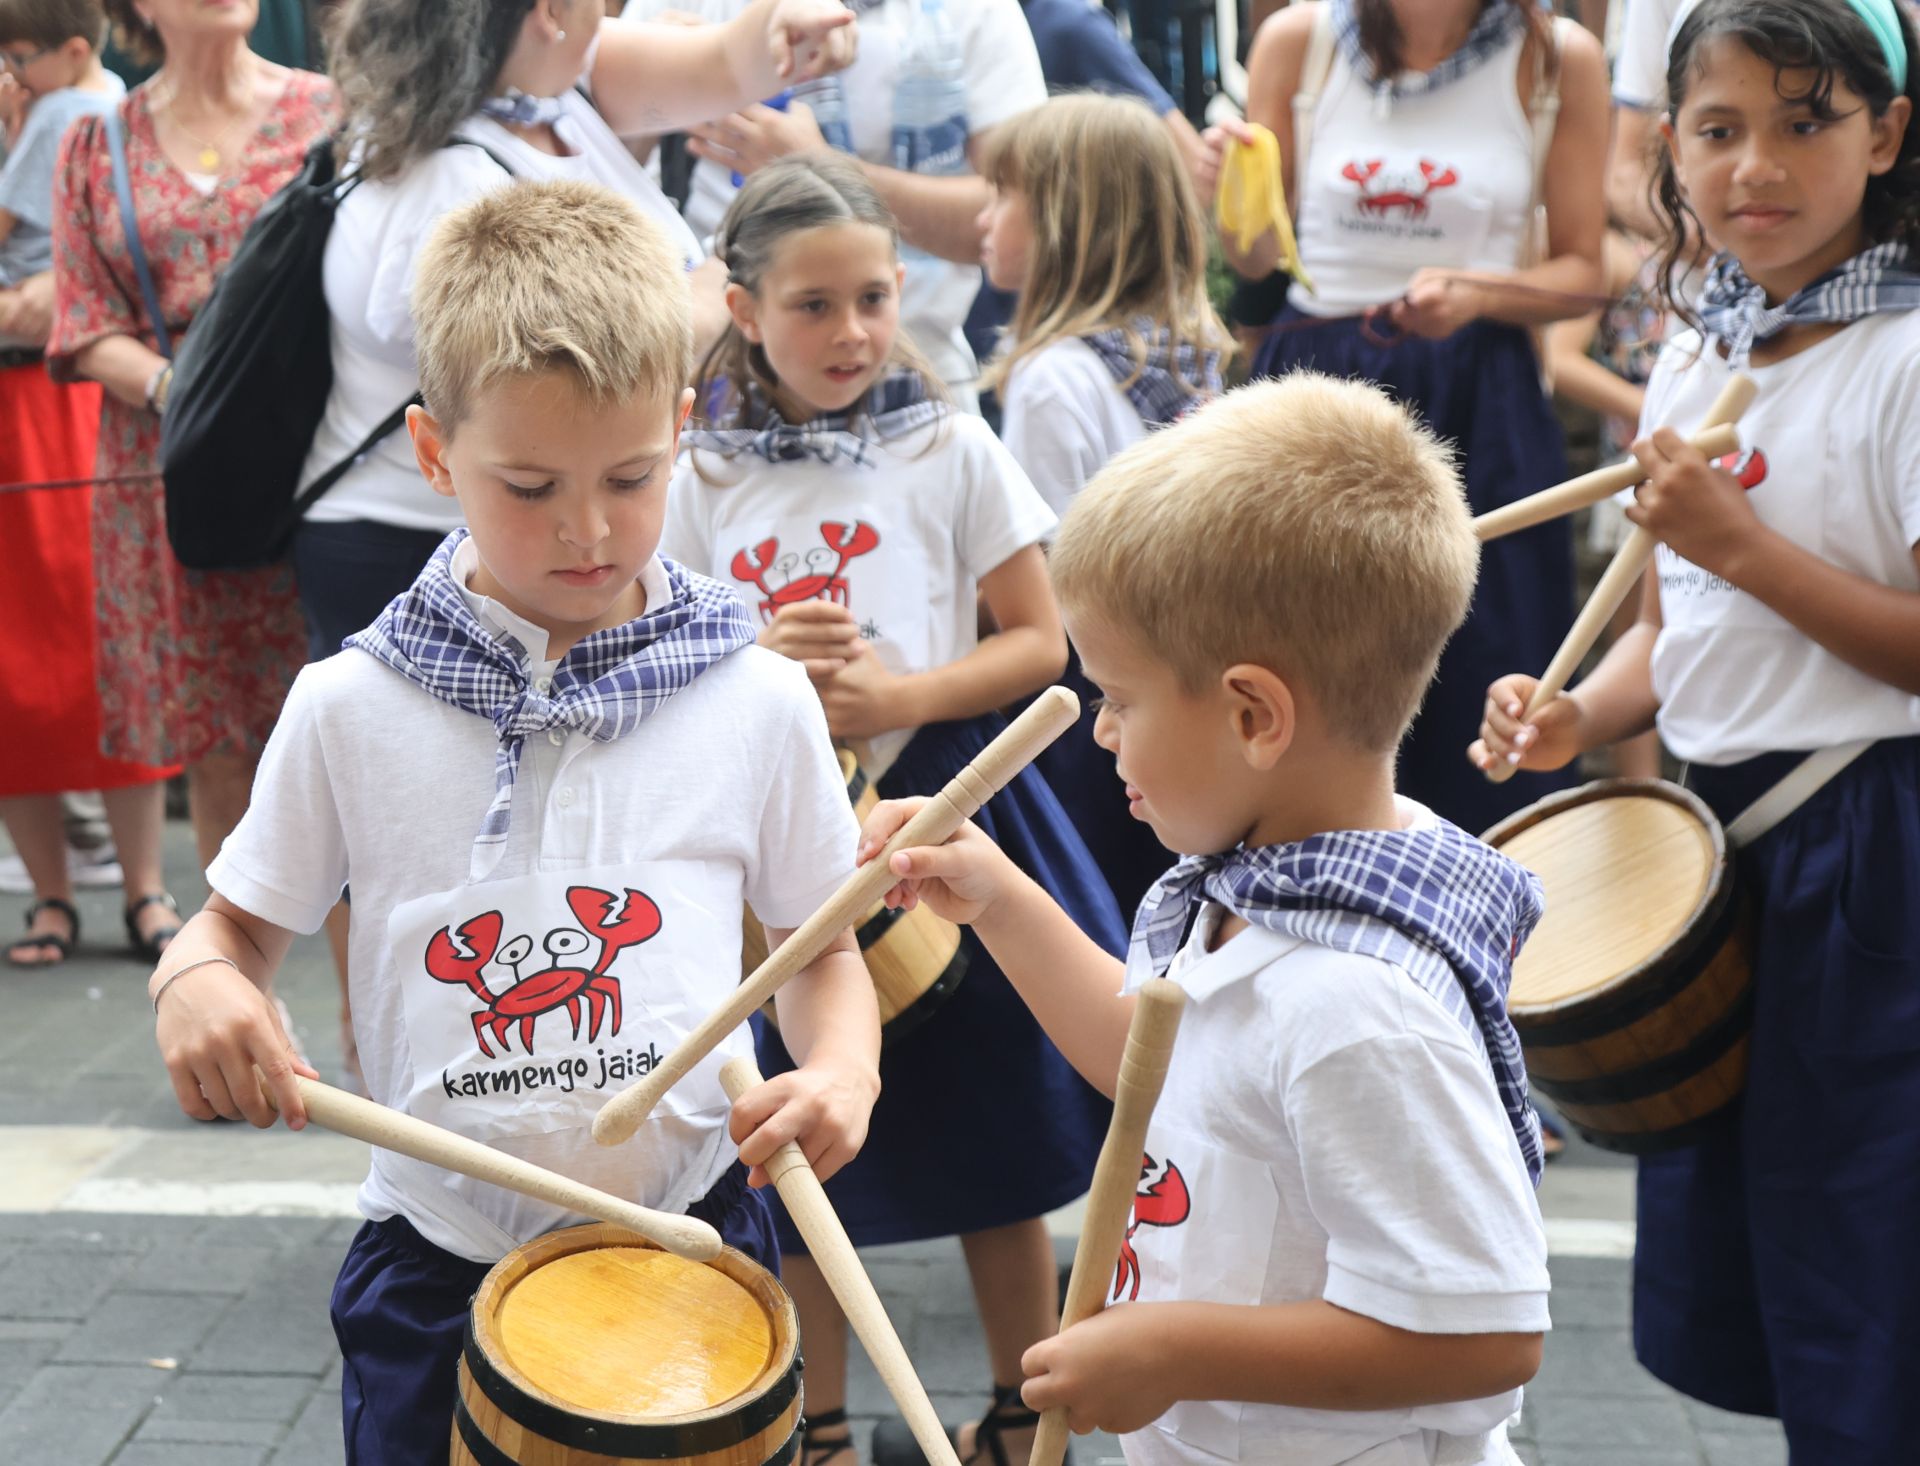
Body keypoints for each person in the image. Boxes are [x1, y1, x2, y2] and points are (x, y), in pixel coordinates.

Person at [147, 178, 883, 1466]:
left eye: (633, 476)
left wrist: (841, 1071)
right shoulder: (350, 705)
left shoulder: (755, 696)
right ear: (434, 454)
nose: (587, 528)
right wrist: (196, 989)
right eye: (531, 484)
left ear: (684, 423)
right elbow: (226, 933)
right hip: (440, 1256)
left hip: (692, 1244)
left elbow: (818, 949)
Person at [864, 373, 1551, 1466]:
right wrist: (997, 896)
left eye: (1121, 699)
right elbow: (1156, 1059)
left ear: (1252, 715)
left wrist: (1178, 1348)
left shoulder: (1361, 1005)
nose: (1099, 732)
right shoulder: (1254, 876)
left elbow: (1486, 1333)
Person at [1471, 1, 1920, 1456]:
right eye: (1720, 131)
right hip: (1716, 853)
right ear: (1672, 148)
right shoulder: (1694, 345)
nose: (1757, 167)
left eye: (1806, 124)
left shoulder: (1905, 358)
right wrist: (1574, 716)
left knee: (1869, 1248)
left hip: (1874, 845)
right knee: (1771, 1261)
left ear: (1889, 134)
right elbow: (1676, 639)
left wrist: (1739, 546)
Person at [659, 154, 1124, 1466]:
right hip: (776, 822)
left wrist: (900, 689)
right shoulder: (694, 470)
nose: (852, 332)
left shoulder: (947, 438)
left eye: (873, 297)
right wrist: (760, 664)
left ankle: (1023, 1408)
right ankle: (814, 1421)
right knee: (803, 1130)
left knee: (998, 1112)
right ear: (742, 310)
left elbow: (1041, 642)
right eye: (812, 305)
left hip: (949, 800)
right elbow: (664, 653)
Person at [1209, 0, 1608, 836]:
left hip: (1479, 392)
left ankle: (1508, 931)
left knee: (1488, 678)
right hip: (1313, 396)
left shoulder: (1556, 57)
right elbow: (1258, 265)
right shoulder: (1299, 40)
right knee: (1304, 681)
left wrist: (1480, 293)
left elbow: (1584, 269)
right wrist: (1227, 198)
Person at [47, 0, 338, 960]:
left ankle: (366, 1030)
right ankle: (241, 1008)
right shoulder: (98, 141)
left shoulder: (333, 113)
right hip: (179, 482)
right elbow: (87, 323)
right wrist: (194, 394)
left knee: (345, 741)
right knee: (219, 753)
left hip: (316, 470)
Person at [978, 91, 1230, 918]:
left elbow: (1055, 581)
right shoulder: (1186, 358)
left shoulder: (1054, 378)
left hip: (1103, 715)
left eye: (1001, 195)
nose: (983, 216)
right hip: (1193, 685)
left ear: (1062, 219)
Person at [629, 0, 1049, 409]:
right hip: (718, 389)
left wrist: (820, 168)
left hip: (923, 377)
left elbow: (1033, 219)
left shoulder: (980, 11)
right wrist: (659, 73)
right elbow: (586, 166)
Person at [0, 0, 176, 969]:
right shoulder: (94, 109)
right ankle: (122, 891)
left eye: (16, 58)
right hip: (50, 397)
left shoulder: (70, 114)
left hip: (58, 400)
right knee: (37, 662)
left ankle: (91, 892)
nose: (9, 73)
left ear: (69, 51)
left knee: (87, 646)